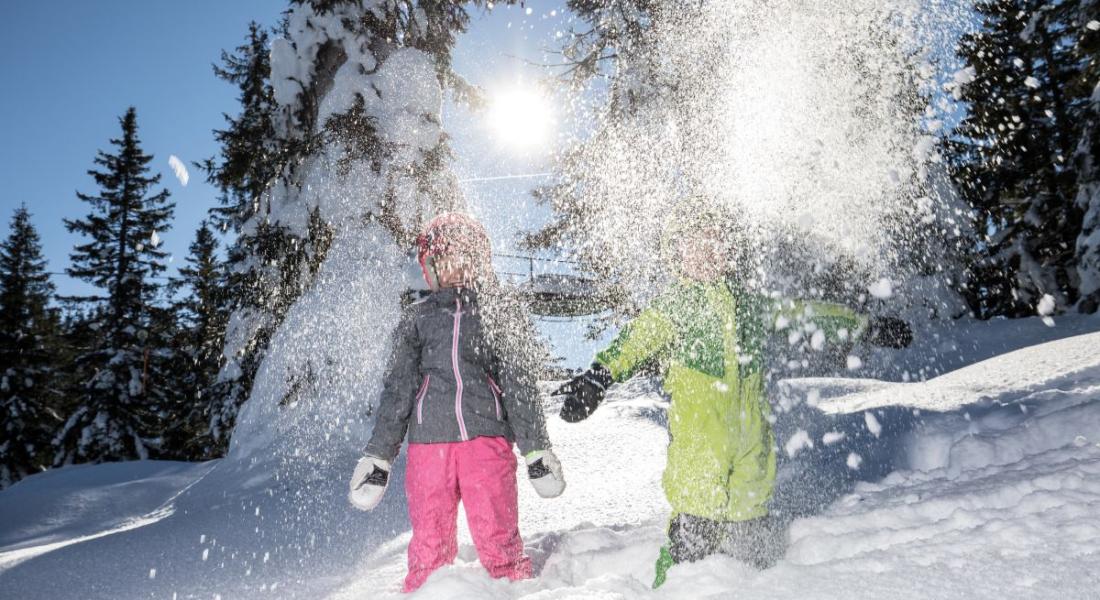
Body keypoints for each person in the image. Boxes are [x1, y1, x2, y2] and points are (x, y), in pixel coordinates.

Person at [553, 200, 911, 588]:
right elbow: (636, 339)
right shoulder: (676, 307)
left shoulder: (751, 305)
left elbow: (804, 315)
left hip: (750, 453)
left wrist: (863, 326)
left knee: (750, 552)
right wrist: (598, 376)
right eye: (694, 244)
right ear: (677, 254)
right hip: (699, 454)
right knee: (690, 552)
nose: (706, 251)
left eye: (715, 242)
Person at [349, 212, 566, 593]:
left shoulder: (497, 314)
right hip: (428, 448)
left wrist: (536, 450)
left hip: (486, 442)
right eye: (444, 261)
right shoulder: (416, 320)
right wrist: (378, 456)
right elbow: (398, 390)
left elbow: (519, 385)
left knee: (498, 538)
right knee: (429, 546)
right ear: (430, 270)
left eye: (463, 259)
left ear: (479, 264)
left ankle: (513, 590)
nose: (454, 269)